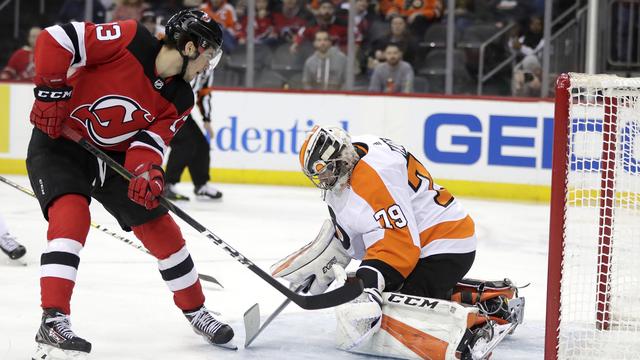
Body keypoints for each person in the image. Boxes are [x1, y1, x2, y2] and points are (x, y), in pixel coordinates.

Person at [26, 9, 233, 359]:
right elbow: (55, 39)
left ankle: (197, 310)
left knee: (160, 228)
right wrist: (51, 92)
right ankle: (54, 318)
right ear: (190, 48)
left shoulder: (181, 98)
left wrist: (148, 172)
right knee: (71, 216)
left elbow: (148, 144)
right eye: (208, 54)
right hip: (61, 144)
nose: (207, 65)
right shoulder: (130, 38)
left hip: (115, 160)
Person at [272, 125, 479, 357]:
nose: (324, 179)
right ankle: (458, 292)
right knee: (388, 294)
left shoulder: (376, 178)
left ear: (339, 159)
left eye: (326, 170)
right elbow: (366, 231)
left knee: (398, 311)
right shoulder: (355, 154)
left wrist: (367, 283)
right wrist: (336, 248)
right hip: (425, 239)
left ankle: (484, 301)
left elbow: (400, 247)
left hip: (445, 244)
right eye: (318, 174)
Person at [164, 67, 224, 201]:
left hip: (181, 110)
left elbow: (204, 93)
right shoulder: (187, 58)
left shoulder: (209, 67)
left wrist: (206, 119)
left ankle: (201, 185)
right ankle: (167, 185)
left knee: (201, 144)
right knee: (185, 143)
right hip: (165, 107)